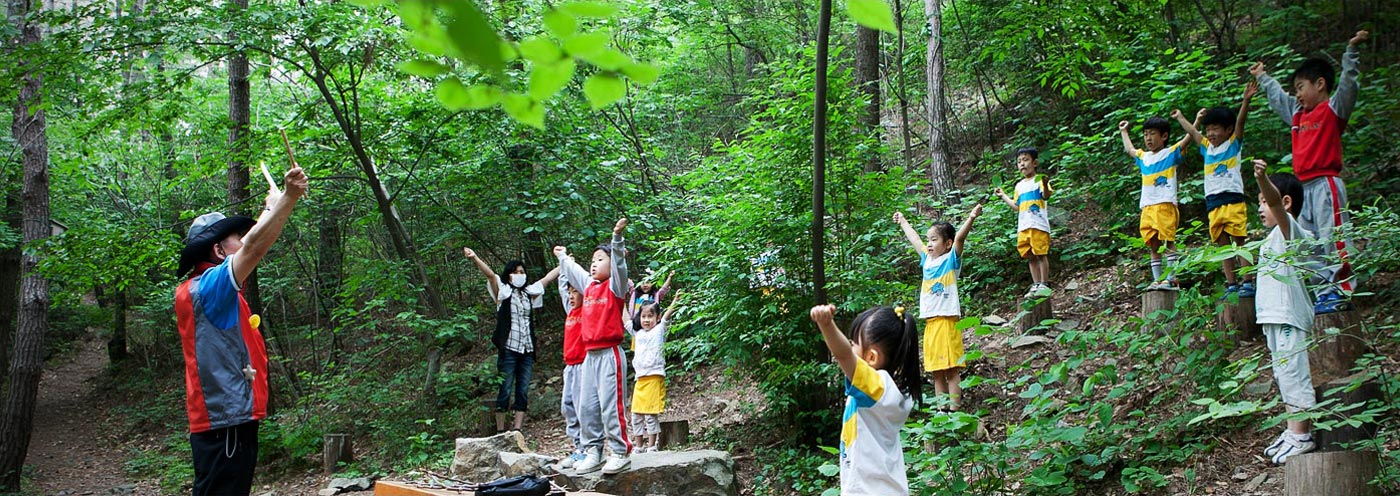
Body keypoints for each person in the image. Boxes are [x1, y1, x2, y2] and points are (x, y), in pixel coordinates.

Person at [175, 161, 307, 495]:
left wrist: (271, 206)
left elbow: (249, 242)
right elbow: (254, 247)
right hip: (225, 424)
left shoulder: (206, 286)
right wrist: (289, 198)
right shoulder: (209, 287)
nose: (243, 241)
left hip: (229, 421)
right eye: (235, 238)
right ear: (218, 250)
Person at [1251, 30, 1369, 314]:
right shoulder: (1296, 114)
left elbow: (1349, 86)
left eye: (1301, 87)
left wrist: (1351, 52)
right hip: (1303, 187)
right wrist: (1262, 77)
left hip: (1327, 183)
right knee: (1308, 239)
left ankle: (1342, 289)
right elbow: (1279, 99)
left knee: (1333, 235)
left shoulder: (1332, 109)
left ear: (1320, 84)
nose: (1298, 94)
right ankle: (1322, 289)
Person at [809, 304, 920, 496]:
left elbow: (843, 355)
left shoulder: (876, 388)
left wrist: (827, 325)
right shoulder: (892, 393)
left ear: (871, 357)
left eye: (853, 345)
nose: (850, 349)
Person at [1251, 159, 1317, 464]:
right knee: (1283, 374)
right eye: (1260, 203)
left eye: (1263, 202)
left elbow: (1276, 203)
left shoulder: (1291, 231)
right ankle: (1293, 431)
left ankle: (1302, 435)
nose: (1261, 208)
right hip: (1274, 318)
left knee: (1293, 373)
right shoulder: (1271, 239)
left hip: (1289, 315)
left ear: (1284, 203)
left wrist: (1263, 178)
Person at [554, 217, 632, 475]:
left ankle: (620, 452)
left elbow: (620, 265)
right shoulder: (588, 286)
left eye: (601, 259)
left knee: (611, 406)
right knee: (586, 406)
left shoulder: (615, 287)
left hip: (610, 354)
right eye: (593, 260)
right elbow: (574, 270)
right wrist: (563, 256)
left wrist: (617, 240)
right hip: (589, 356)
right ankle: (594, 451)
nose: (594, 263)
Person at [893, 205, 982, 410]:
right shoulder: (926, 260)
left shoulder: (951, 260)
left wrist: (971, 217)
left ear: (947, 243)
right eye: (929, 240)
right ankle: (941, 412)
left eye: (935, 240)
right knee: (936, 371)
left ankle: (955, 410)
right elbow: (915, 239)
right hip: (931, 323)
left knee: (951, 369)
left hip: (947, 320)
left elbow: (960, 239)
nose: (929, 244)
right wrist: (903, 221)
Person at [463, 248, 560, 433]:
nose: (519, 275)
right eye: (515, 272)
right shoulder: (503, 293)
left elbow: (547, 279)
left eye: (522, 272)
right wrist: (475, 257)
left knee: (522, 390)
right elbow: (491, 275)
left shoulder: (528, 293)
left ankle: (517, 430)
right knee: (505, 389)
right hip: (508, 348)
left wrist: (564, 262)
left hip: (527, 349)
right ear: (508, 275)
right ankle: (501, 430)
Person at [1117, 110, 1202, 291]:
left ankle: (1172, 278)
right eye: (1146, 134)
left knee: (1168, 240)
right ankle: (1157, 280)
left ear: (1164, 136)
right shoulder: (1144, 157)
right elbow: (1130, 150)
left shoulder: (1171, 153)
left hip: (1165, 204)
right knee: (1153, 243)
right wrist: (1124, 132)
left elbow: (1189, 138)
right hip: (1147, 206)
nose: (1148, 138)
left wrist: (1196, 119)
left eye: (1152, 134)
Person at [1196, 83, 1260, 297]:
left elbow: (1240, 122)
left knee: (1239, 240)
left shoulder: (1233, 144)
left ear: (1227, 130)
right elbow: (1193, 134)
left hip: (1232, 198)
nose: (1211, 133)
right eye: (1209, 130)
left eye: (1215, 129)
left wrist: (1246, 101)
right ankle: (1231, 284)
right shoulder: (1207, 148)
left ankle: (1247, 281)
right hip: (1212, 201)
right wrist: (1181, 118)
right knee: (1222, 246)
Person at [995, 147, 1053, 298]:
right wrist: (1003, 196)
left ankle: (1044, 283)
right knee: (1030, 256)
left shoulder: (1039, 180)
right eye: (1019, 161)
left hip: (1038, 224)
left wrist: (1046, 184)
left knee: (1041, 253)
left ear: (1035, 163)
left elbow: (1046, 196)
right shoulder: (1019, 186)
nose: (1022, 164)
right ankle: (1035, 284)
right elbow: (1016, 206)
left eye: (1025, 160)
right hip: (1024, 225)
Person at [626, 301, 679, 453]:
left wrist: (676, 300)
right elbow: (626, 321)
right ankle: (639, 446)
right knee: (636, 415)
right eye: (643, 316)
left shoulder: (660, 330)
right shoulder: (638, 333)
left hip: (654, 377)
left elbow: (667, 316)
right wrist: (620, 300)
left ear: (657, 317)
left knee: (650, 414)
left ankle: (651, 446)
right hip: (640, 379)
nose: (646, 320)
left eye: (650, 316)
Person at [552, 255, 587, 469]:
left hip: (584, 364)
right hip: (570, 365)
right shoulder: (571, 311)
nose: (571, 295)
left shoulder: (588, 310)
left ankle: (587, 449)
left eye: (576, 291)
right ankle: (577, 447)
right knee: (568, 406)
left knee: (584, 408)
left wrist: (572, 266)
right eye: (570, 291)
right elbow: (561, 288)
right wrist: (563, 266)